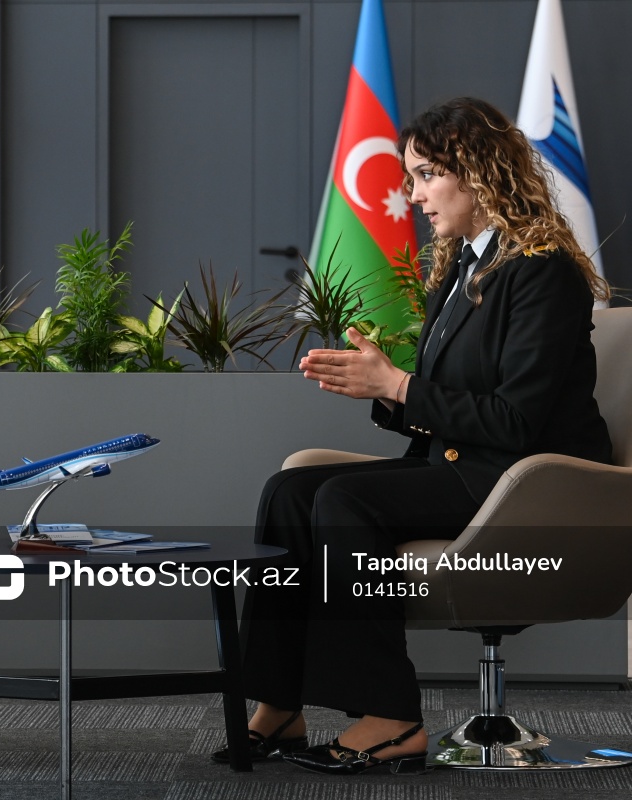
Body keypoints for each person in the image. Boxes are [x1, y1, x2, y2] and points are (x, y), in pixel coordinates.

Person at [211, 97, 612, 775]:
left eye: (427, 175)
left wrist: (398, 385)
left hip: (529, 484)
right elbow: (451, 403)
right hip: (463, 465)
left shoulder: (542, 271)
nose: (415, 195)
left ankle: (391, 718)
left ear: (479, 173)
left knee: (345, 500)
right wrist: (380, 388)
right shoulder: (461, 268)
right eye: (412, 178)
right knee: (289, 491)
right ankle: (279, 704)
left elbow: (515, 421)